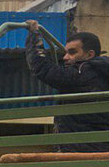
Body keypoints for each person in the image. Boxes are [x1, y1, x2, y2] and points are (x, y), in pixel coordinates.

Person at [24, 19, 109, 151]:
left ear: (89, 54)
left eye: (72, 52)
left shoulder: (83, 72)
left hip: (82, 149)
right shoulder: (101, 72)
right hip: (98, 146)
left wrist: (34, 35)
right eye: (66, 52)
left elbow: (42, 68)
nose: (65, 57)